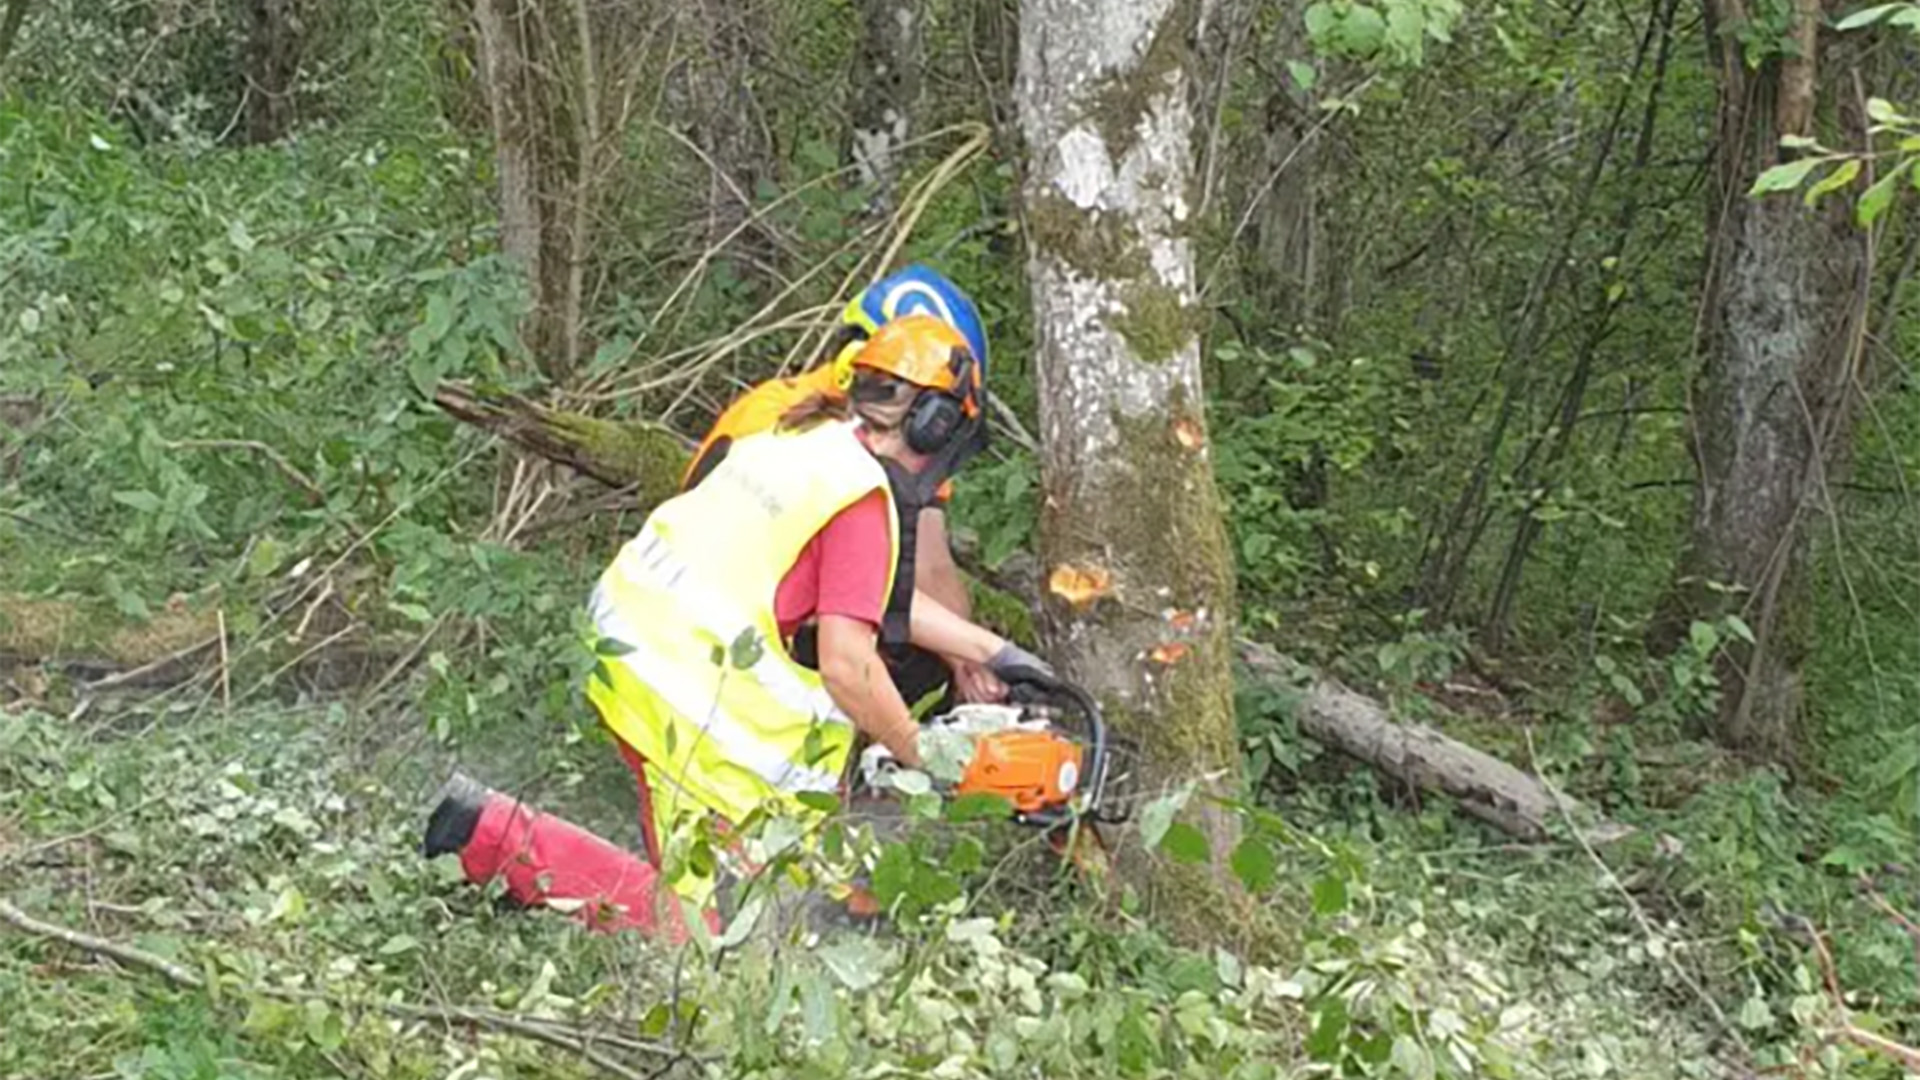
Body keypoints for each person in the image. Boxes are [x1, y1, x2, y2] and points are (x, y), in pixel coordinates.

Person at [422, 316, 1053, 937]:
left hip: (638, 643)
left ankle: (482, 831)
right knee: (712, 933)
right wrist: (922, 755)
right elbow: (847, 664)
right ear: (936, 427)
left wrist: (990, 650)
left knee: (758, 891)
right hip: (683, 700)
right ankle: (486, 837)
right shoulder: (862, 500)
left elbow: (860, 594)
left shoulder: (804, 439)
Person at [681, 265, 1002, 708]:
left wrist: (970, 663)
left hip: (760, 613)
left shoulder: (895, 442)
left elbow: (930, 567)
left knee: (922, 657)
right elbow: (859, 592)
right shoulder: (781, 429)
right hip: (724, 631)